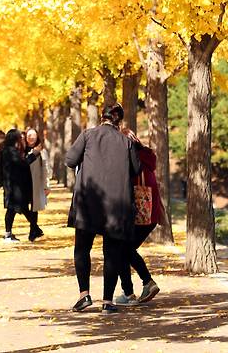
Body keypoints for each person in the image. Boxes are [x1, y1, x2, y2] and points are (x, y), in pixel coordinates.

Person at [65, 103, 140, 314]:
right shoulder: (126, 142)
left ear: (102, 117)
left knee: (82, 249)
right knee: (112, 253)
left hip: (88, 202)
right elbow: (136, 169)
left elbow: (70, 160)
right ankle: (108, 301)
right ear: (120, 121)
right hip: (116, 204)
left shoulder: (88, 135)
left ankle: (84, 295)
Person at [114, 133, 163, 305]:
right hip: (151, 215)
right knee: (123, 251)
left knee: (121, 250)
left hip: (139, 216)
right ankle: (130, 292)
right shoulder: (146, 159)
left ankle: (143, 284)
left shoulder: (131, 162)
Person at [2, 128, 41, 242]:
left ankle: (35, 229)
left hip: (15, 185)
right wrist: (34, 154)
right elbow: (23, 164)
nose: (22, 139)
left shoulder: (11, 150)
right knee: (13, 209)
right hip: (13, 185)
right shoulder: (10, 151)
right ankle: (8, 234)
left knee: (21, 208)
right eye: (20, 137)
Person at [25, 127, 49, 239]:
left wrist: (46, 186)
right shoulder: (22, 150)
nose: (31, 137)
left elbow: (45, 169)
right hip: (24, 183)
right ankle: (36, 228)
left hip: (36, 183)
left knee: (34, 208)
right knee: (23, 207)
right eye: (29, 135)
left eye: (33, 135)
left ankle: (33, 231)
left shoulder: (41, 151)